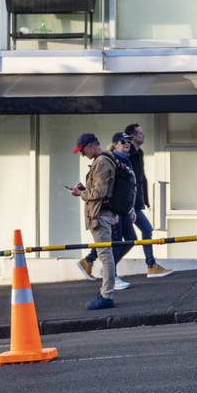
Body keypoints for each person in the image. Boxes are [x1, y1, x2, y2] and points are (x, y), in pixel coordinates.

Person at [70, 132, 136, 310]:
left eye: (83, 151)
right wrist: (85, 189)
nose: (83, 154)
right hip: (105, 213)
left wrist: (80, 193)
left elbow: (99, 193)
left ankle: (106, 295)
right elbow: (103, 190)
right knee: (105, 254)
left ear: (92, 145)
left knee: (105, 255)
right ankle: (106, 292)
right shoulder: (108, 159)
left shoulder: (101, 162)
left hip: (100, 215)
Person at [124, 122, 172, 278]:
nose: (143, 135)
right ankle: (151, 265)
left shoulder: (140, 153)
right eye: (139, 133)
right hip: (125, 203)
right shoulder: (127, 153)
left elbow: (140, 177)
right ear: (131, 137)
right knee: (128, 236)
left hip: (135, 202)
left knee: (137, 233)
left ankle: (151, 265)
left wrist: (144, 200)